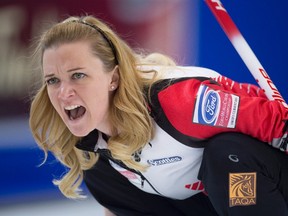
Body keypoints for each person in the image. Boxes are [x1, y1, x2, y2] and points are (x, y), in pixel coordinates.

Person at [29, 15, 288, 216]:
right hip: (211, 202)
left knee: (228, 155)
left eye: (78, 75)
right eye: (53, 80)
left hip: (259, 186)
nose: (63, 93)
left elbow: (275, 122)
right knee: (96, 167)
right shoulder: (92, 142)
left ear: (114, 78)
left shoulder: (180, 102)